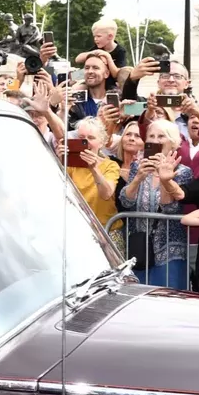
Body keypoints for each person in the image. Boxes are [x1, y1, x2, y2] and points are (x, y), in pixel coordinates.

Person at [120, 119, 190, 289]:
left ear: (172, 143)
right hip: (139, 247)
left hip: (168, 249)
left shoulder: (182, 171)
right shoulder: (138, 166)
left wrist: (164, 177)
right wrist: (137, 178)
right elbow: (125, 202)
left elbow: (170, 208)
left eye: (161, 136)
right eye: (151, 136)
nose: (155, 140)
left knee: (166, 298)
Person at [67, 118, 121, 249]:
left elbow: (106, 193)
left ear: (101, 142)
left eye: (91, 138)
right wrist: (59, 160)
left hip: (106, 231)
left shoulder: (110, 165)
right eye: (81, 137)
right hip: (77, 230)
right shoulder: (70, 165)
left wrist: (94, 169)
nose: (85, 142)